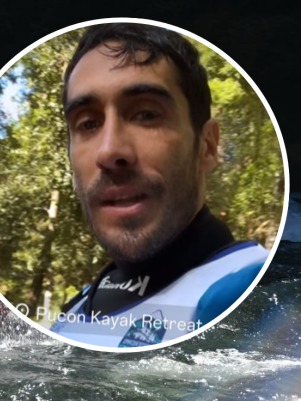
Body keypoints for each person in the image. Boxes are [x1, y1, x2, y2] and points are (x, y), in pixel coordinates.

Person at [48, 23, 269, 348]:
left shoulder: (257, 289)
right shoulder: (74, 312)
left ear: (207, 146)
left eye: (146, 115)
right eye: (89, 123)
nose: (109, 151)